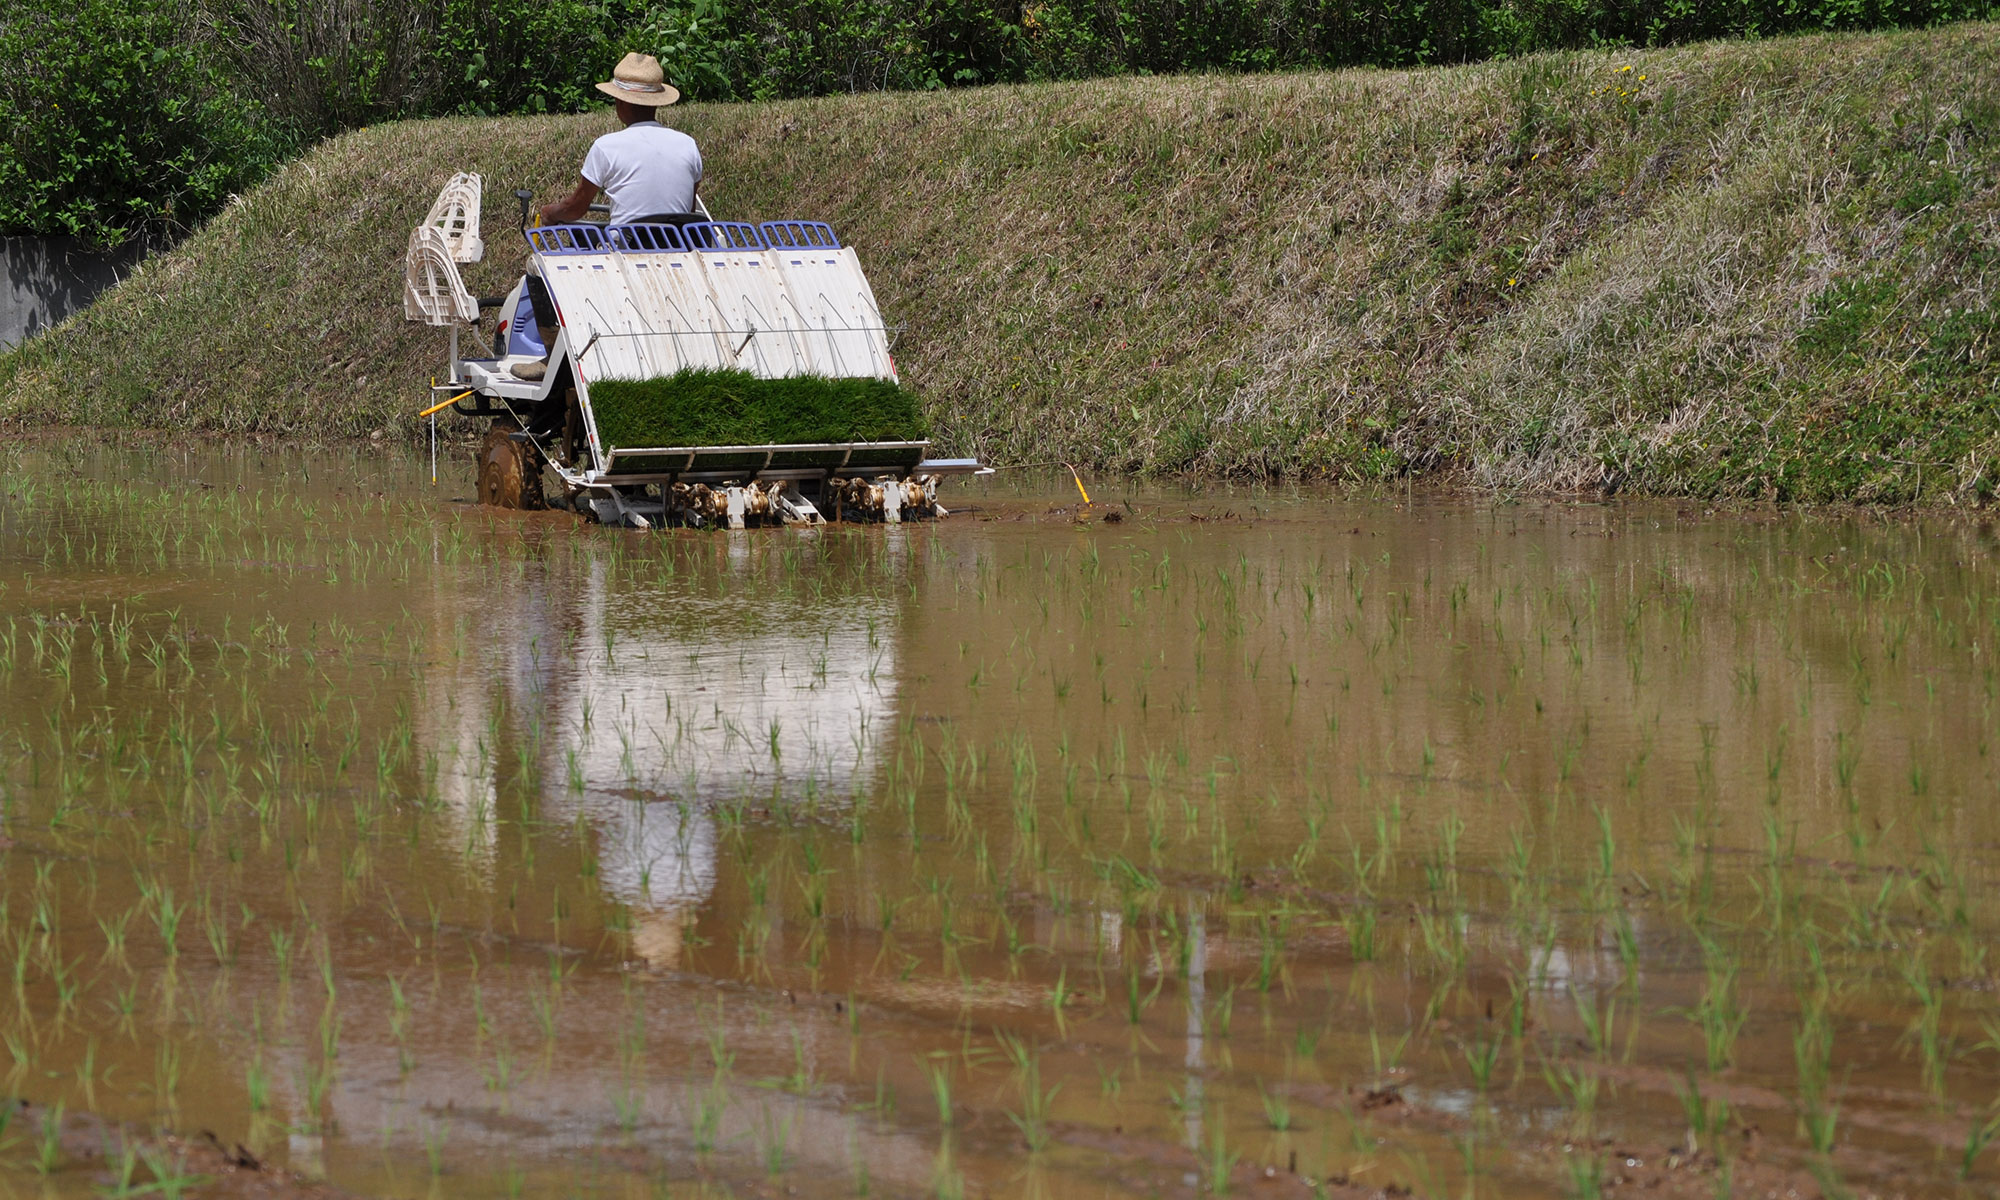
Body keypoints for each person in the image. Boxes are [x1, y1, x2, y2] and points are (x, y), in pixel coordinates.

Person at [513, 52, 703, 380]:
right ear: (657, 103)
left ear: (621, 104)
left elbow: (577, 208)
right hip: (677, 248)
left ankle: (552, 358)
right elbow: (687, 206)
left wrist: (550, 211)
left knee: (537, 267)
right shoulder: (687, 144)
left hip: (627, 251)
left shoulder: (607, 147)